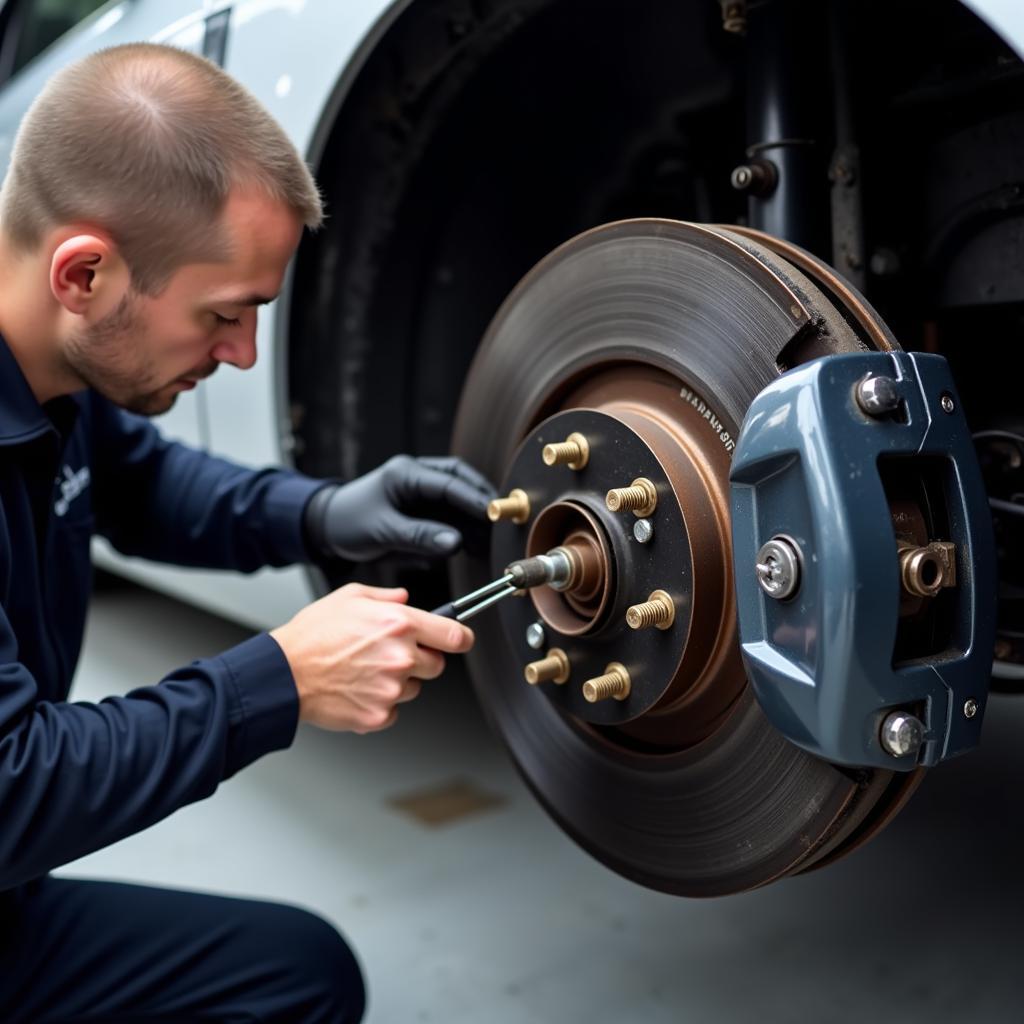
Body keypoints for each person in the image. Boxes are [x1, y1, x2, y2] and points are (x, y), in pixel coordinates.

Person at [0, 42, 494, 1023]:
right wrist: (280, 680)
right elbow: (13, 790)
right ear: (84, 273)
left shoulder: (53, 379)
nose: (243, 354)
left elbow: (144, 486)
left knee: (297, 974)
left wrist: (322, 512)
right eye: (224, 315)